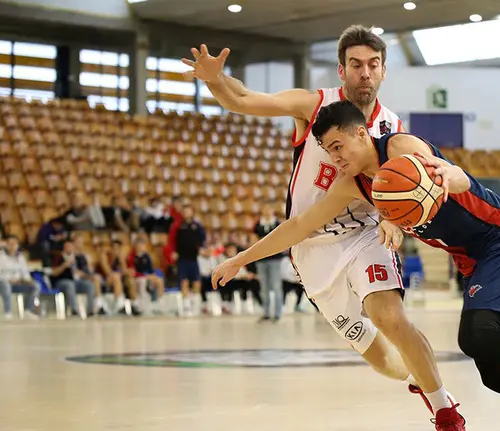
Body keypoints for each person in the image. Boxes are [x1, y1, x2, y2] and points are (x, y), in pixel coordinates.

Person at [212, 100, 500, 431]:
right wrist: (240, 258)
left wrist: (434, 188)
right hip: (473, 261)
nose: (335, 156)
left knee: (477, 336)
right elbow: (300, 225)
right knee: (498, 376)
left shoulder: (401, 147)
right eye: (327, 150)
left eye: (339, 145)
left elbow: (450, 175)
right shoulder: (352, 185)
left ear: (363, 133)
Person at [184, 25, 465, 430]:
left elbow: (397, 189)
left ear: (383, 71)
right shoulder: (313, 106)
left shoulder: (393, 127)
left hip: (366, 234)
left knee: (389, 316)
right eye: (355, 65)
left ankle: (445, 410)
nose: (364, 73)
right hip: (311, 245)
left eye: (372, 65)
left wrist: (392, 219)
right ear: (341, 70)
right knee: (384, 361)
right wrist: (216, 81)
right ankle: (419, 379)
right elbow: (244, 98)